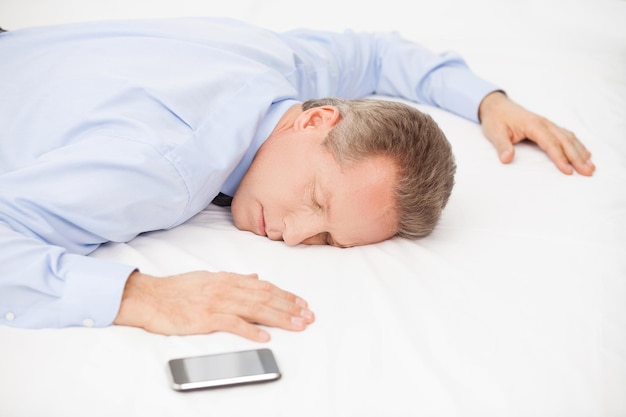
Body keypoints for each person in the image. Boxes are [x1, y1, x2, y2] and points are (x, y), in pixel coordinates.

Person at [0, 17, 594, 342]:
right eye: (316, 199)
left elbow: (378, 53)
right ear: (317, 119)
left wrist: (488, 100)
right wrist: (141, 295)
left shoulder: (280, 68)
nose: (293, 234)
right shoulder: (161, 169)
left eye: (328, 239)